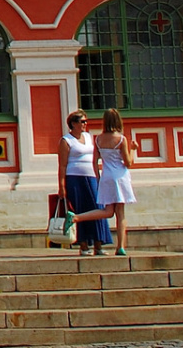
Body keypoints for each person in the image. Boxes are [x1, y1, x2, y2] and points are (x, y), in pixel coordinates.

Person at [68, 109, 136, 256]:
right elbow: (128, 162)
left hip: (106, 176)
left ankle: (77, 217)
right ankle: (121, 246)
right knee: (120, 214)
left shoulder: (98, 139)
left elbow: (94, 161)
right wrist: (133, 149)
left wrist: (98, 178)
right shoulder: (121, 139)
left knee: (107, 211)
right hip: (120, 176)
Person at [59, 111, 110, 256]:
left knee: (98, 207)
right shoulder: (66, 140)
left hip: (91, 176)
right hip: (75, 178)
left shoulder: (88, 137)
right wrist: (62, 185)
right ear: (73, 124)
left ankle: (99, 245)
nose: (85, 124)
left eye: (86, 121)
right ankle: (83, 246)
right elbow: (62, 165)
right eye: (82, 122)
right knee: (80, 209)